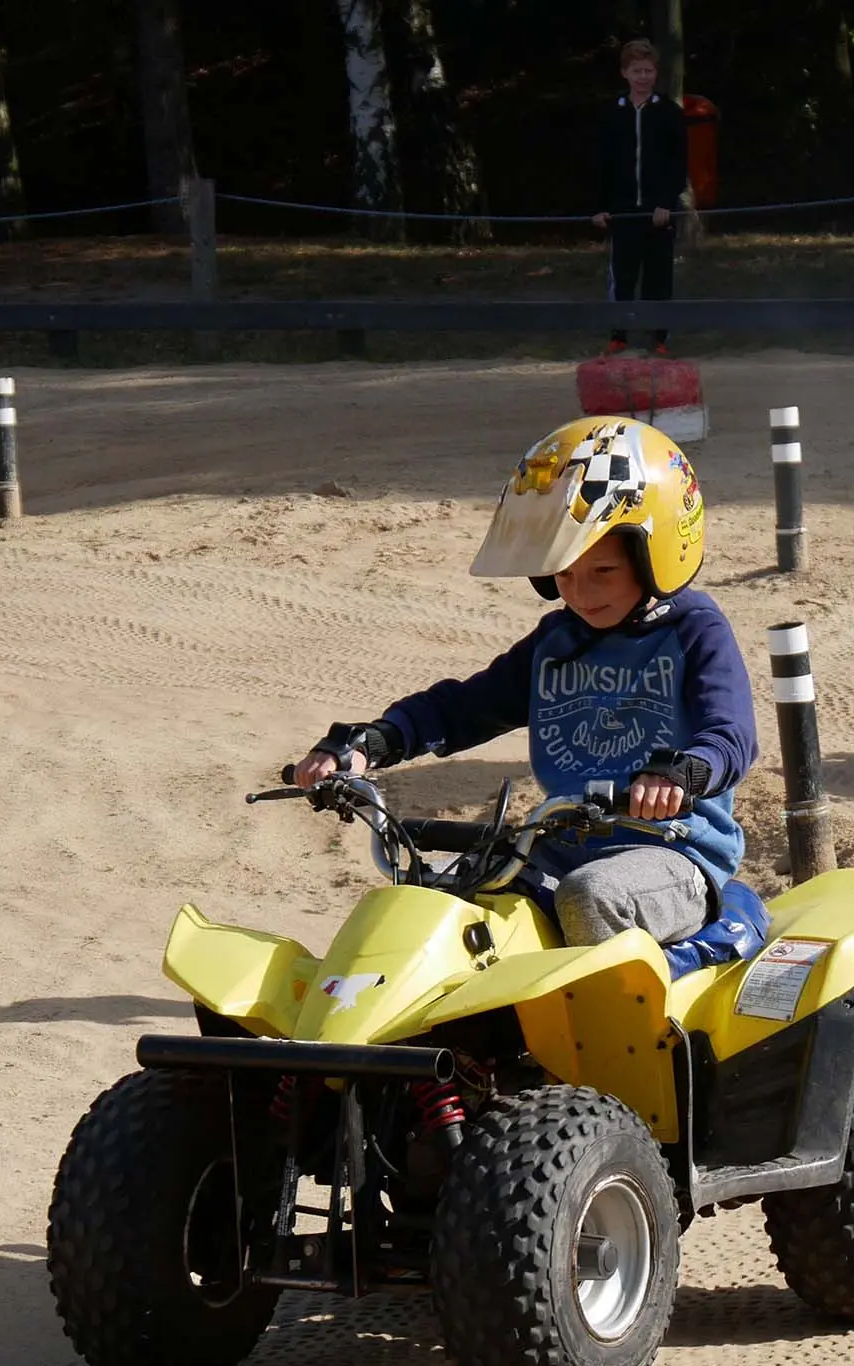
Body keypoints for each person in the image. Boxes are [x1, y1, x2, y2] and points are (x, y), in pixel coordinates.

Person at [291, 416, 758, 948]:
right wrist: (372, 743)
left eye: (602, 571)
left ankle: (622, 1003)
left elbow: (732, 736)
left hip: (672, 852)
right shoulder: (557, 641)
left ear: (659, 554)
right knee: (453, 891)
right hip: (563, 841)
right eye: (564, 573)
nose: (580, 593)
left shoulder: (694, 632)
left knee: (591, 896)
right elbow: (463, 708)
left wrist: (681, 773)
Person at [593, 40, 688, 358]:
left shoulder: (669, 113)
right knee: (622, 275)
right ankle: (618, 335)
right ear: (625, 73)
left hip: (658, 211)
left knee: (658, 277)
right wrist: (600, 207)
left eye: (648, 71)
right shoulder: (610, 113)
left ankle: (659, 337)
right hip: (621, 212)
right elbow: (600, 164)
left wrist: (667, 204)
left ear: (656, 73)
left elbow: (678, 164)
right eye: (637, 71)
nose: (643, 77)